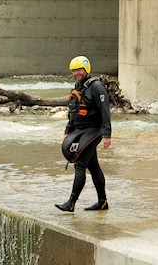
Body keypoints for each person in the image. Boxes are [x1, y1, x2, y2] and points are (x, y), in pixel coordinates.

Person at [55, 55, 112, 212]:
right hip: (80, 131)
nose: (76, 73)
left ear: (86, 70)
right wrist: (68, 131)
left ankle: (71, 203)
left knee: (80, 164)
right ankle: (102, 202)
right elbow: (72, 112)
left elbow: (105, 111)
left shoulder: (97, 86)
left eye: (79, 70)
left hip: (94, 131)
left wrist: (107, 135)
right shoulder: (78, 86)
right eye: (73, 71)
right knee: (93, 166)